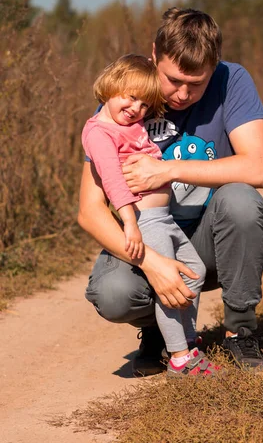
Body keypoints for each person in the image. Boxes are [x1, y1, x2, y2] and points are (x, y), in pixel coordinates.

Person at [78, 7, 263, 375]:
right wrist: (153, 264)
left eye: (196, 83)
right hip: (148, 236)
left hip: (208, 240)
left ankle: (240, 330)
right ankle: (158, 332)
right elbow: (89, 210)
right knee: (114, 295)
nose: (182, 94)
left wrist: (166, 169)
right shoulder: (125, 99)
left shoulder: (234, 80)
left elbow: (257, 168)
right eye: (172, 80)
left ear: (215, 68)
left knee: (243, 201)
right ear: (154, 55)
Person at [81, 54, 220, 377]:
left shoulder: (126, 125)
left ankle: (185, 336)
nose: (136, 109)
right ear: (110, 87)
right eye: (130, 98)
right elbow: (113, 182)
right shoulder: (101, 133)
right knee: (167, 284)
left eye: (145, 105)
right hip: (145, 220)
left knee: (193, 270)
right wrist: (129, 222)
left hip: (164, 218)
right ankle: (181, 358)